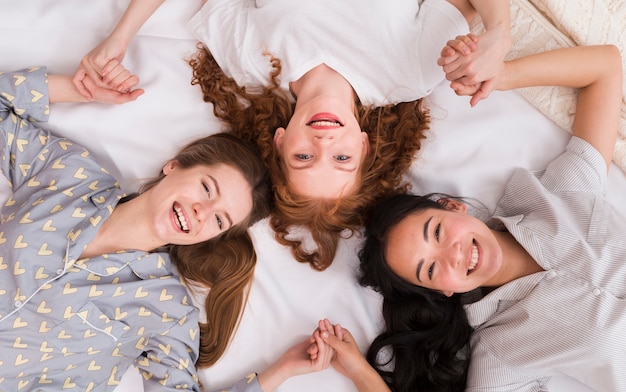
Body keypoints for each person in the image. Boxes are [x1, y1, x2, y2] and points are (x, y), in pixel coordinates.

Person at [72, 0, 512, 271]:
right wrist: (499, 36)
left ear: (281, 143)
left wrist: (120, 36)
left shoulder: (249, 62)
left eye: (304, 159)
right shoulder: (410, 75)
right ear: (363, 145)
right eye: (341, 160)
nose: (324, 144)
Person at [0, 65, 334, 392]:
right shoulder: (70, 174)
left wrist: (280, 371)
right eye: (207, 188)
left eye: (219, 220)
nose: (202, 212)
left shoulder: (167, 312)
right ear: (174, 166)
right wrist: (81, 88)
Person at [314, 44, 625, 392]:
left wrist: (501, 74)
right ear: (443, 290)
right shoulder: (503, 349)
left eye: (439, 233)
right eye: (430, 269)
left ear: (452, 207)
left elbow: (605, 67)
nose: (453, 255)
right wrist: (361, 373)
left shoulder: (559, 196)